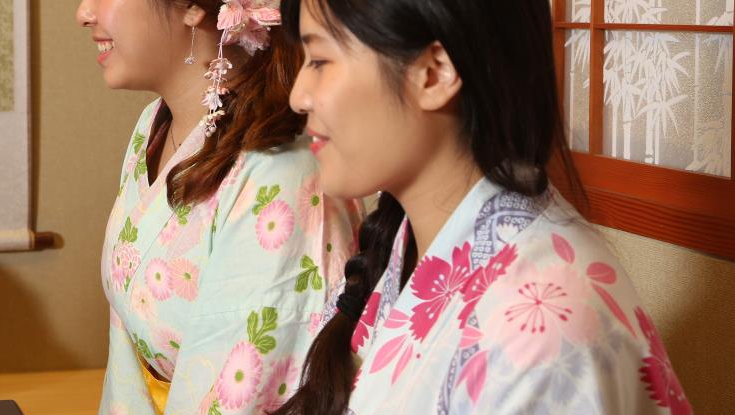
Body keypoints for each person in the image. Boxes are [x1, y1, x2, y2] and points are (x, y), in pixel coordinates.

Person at [275, 0, 690, 413]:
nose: (297, 97)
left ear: (434, 72)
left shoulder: (543, 322)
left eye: (320, 60)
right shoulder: (412, 243)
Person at [76, 0, 364, 413]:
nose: (84, 13)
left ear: (193, 8)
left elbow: (244, 391)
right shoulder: (152, 125)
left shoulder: (281, 172)